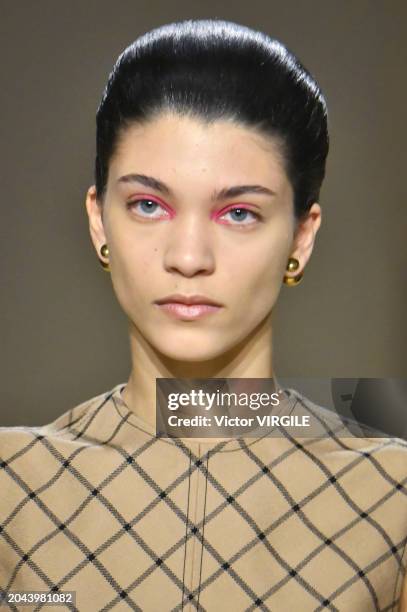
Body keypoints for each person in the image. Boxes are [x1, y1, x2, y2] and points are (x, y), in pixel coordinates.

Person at [1, 18, 406, 612]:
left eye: (239, 213)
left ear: (300, 236)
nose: (188, 258)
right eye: (148, 205)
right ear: (98, 220)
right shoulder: (12, 489)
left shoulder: (391, 503)